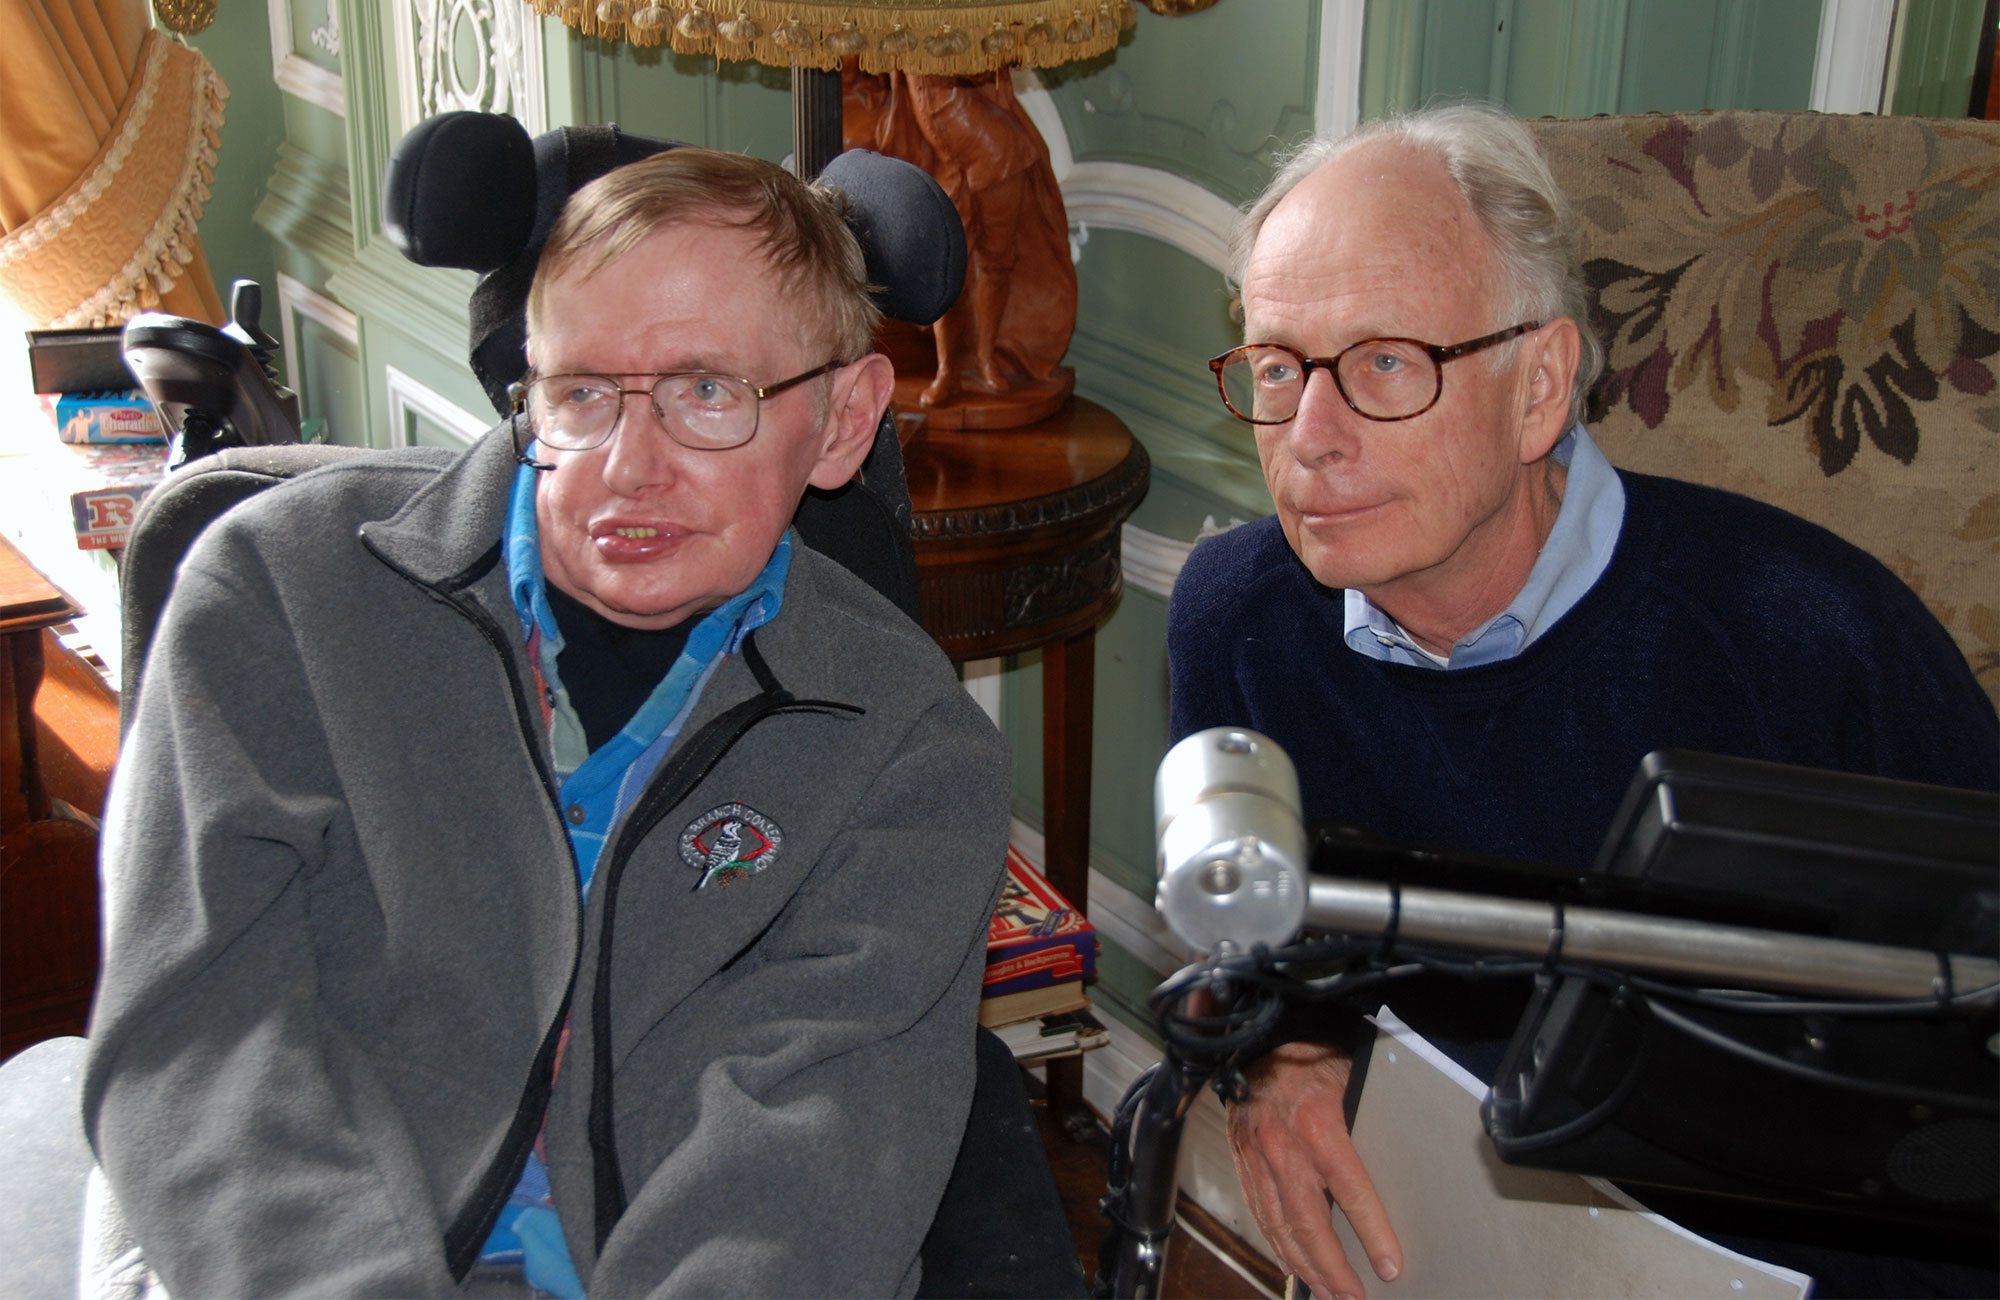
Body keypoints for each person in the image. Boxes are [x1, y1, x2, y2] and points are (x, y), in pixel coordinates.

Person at [83, 147, 1012, 1297]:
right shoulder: (280, 596)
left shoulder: (907, 743)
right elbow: (207, 1035)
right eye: (579, 393)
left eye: (705, 392)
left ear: (841, 420)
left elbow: (818, 1141)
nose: (628, 468)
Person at [1166, 104, 1999, 1300]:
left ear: (1538, 386)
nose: (1310, 436)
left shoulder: (1814, 641)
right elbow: (1245, 932)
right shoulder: (1235, 620)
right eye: (1279, 366)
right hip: (1444, 1238)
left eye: (1384, 364)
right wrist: (1279, 1050)